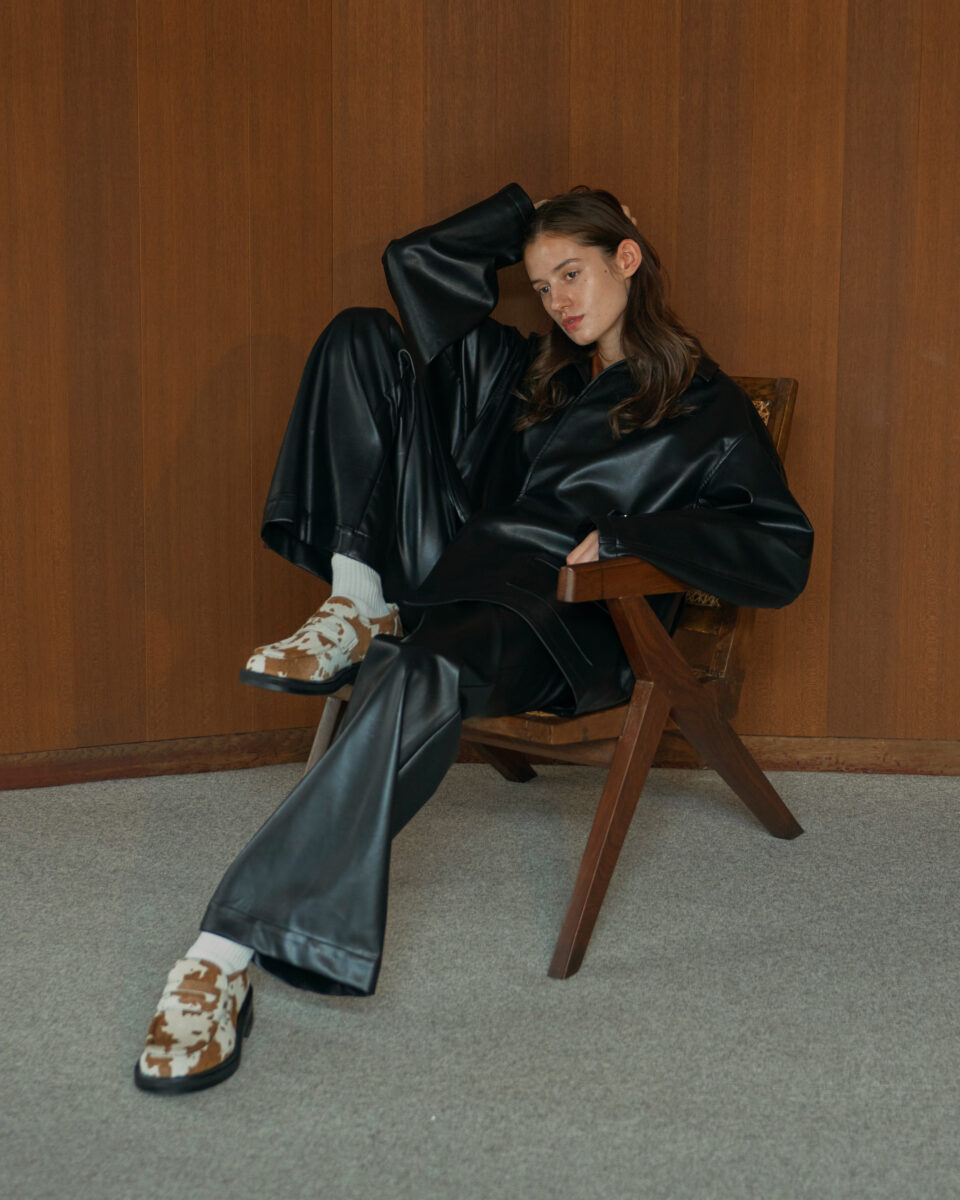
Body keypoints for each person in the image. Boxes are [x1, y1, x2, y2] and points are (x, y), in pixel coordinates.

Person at [134, 184, 813, 1093]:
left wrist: (631, 538)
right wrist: (525, 212)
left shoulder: (703, 406)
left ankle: (219, 955)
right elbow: (414, 266)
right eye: (541, 283)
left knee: (413, 676)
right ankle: (356, 600)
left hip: (558, 616)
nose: (558, 300)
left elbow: (782, 553)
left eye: (572, 272)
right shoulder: (527, 371)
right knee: (359, 334)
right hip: (454, 568)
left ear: (628, 258)